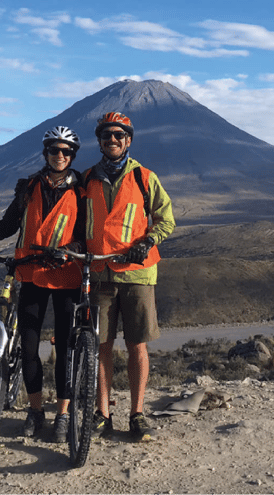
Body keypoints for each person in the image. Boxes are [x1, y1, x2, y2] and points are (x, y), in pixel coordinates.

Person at [0, 126, 85, 443]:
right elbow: (8, 226)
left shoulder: (82, 191)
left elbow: (86, 234)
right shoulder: (29, 188)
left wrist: (70, 250)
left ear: (72, 155)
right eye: (54, 150)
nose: (60, 155)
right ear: (46, 153)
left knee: (65, 349)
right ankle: (35, 411)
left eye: (66, 151)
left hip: (66, 277)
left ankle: (63, 414)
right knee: (29, 349)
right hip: (32, 275)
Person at [83, 112, 175, 441]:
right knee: (101, 347)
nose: (112, 139)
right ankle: (102, 414)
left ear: (128, 140)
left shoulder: (144, 177)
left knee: (137, 345)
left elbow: (166, 219)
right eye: (106, 135)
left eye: (118, 135)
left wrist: (147, 242)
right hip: (100, 272)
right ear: (99, 140)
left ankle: (137, 414)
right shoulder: (86, 179)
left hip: (137, 274)